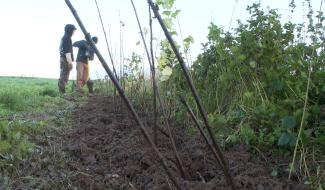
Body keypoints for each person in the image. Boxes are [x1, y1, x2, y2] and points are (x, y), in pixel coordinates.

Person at [58, 24, 77, 94]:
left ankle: (62, 91)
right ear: (70, 30)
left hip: (63, 58)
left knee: (63, 74)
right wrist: (70, 62)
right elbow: (67, 51)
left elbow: (62, 50)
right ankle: (62, 92)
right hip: (66, 59)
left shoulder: (63, 38)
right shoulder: (67, 38)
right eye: (73, 30)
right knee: (64, 76)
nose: (74, 32)